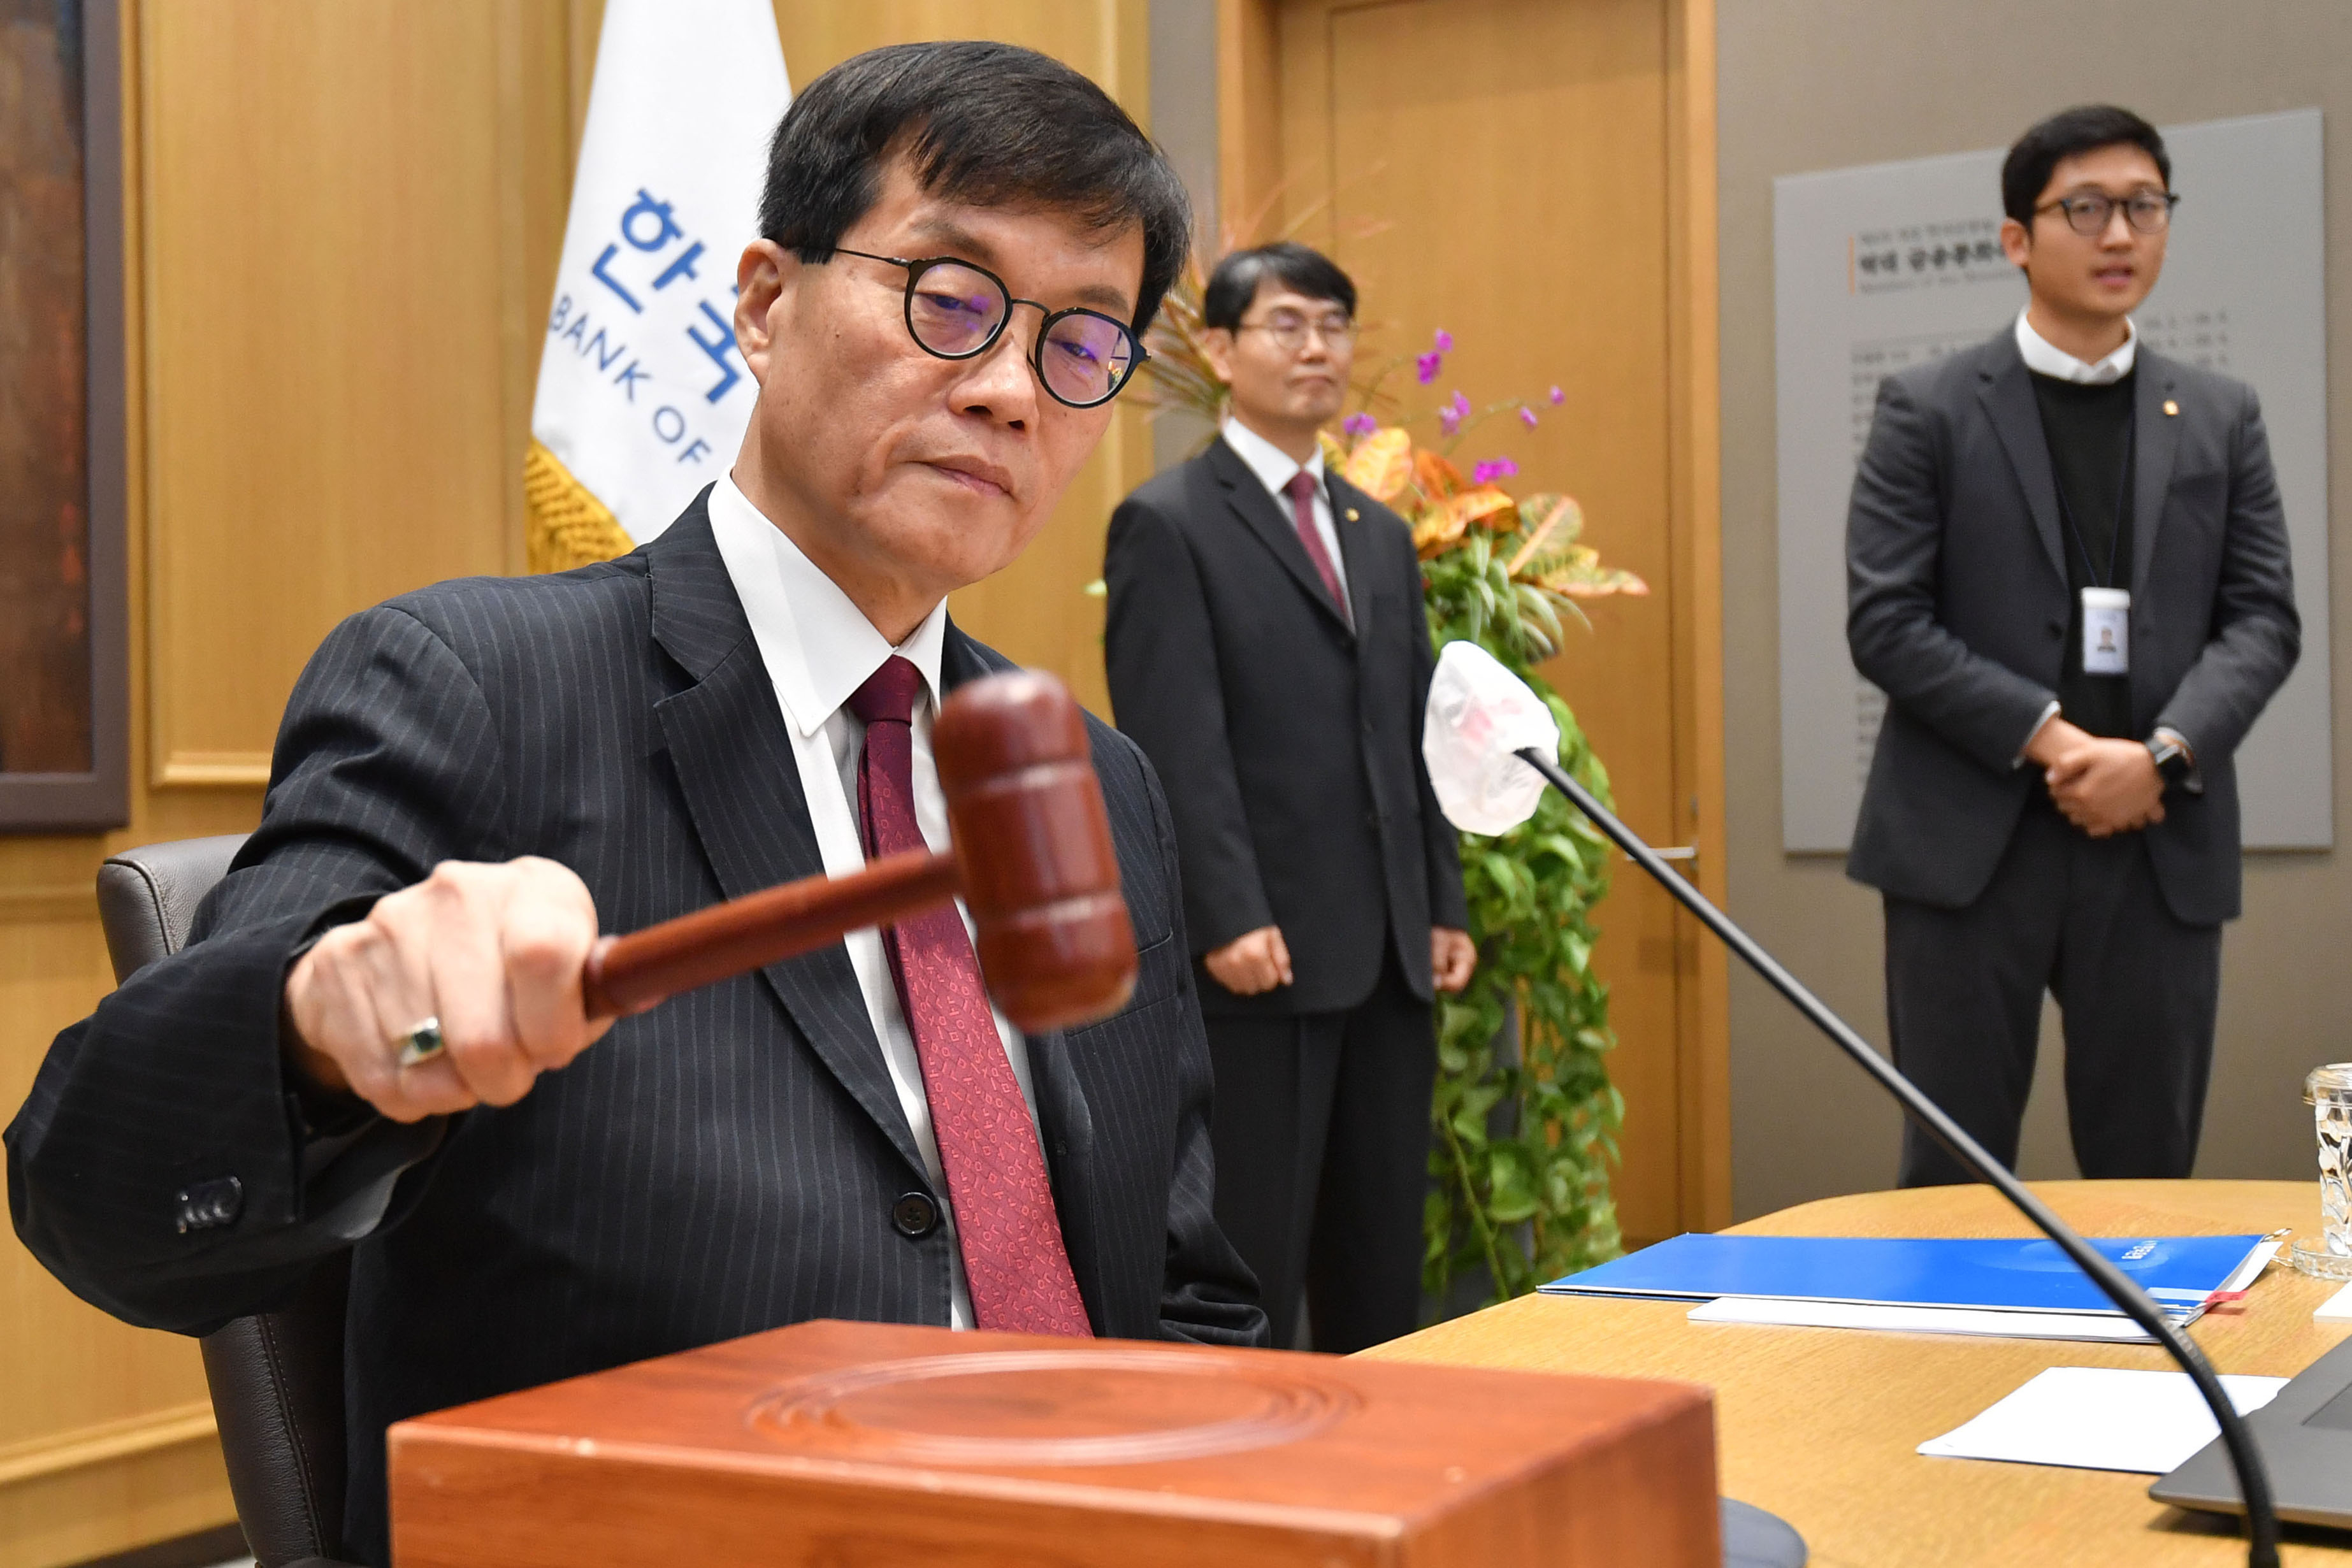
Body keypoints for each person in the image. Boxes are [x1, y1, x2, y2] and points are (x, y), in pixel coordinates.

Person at [6, 43, 1265, 1565]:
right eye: (949, 297)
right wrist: (324, 1028)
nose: (1008, 389)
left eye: (1080, 345)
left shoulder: (1095, 779)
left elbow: (1182, 1285)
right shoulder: (475, 685)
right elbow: (94, 1189)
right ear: (761, 297)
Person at [1846, 104, 2299, 1188]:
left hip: (2156, 840)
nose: (2119, 235)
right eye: (2085, 208)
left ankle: (2140, 1368)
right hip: (1968, 845)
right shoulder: (1931, 407)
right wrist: (2056, 743)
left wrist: (2164, 752)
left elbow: (2265, 618)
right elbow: (1886, 620)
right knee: (1953, 1182)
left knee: (2149, 1179)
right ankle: (1946, 1367)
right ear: (2018, 238)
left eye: (2144, 207)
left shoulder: (2222, 414)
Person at [1101, 243, 1473, 1353]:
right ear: (1218, 350)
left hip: (1390, 952)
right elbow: (1175, 741)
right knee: (1256, 1244)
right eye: (1287, 324)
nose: (1318, 348)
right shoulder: (1170, 522)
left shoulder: (1381, 532)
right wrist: (1225, 912)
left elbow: (1414, 733)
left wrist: (1441, 898)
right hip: (1262, 953)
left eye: (1336, 326)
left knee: (1380, 1254)